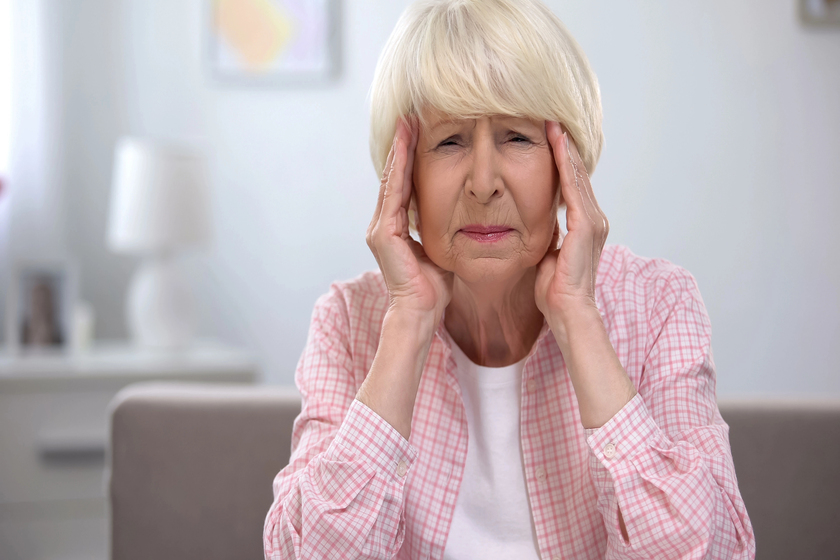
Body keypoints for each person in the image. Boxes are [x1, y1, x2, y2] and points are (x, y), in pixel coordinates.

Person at [264, 0, 756, 558]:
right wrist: (408, 321)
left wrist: (578, 316)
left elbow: (711, 550)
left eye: (517, 137)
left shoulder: (659, 303)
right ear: (403, 178)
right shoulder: (348, 320)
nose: (483, 182)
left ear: (568, 166)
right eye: (449, 141)